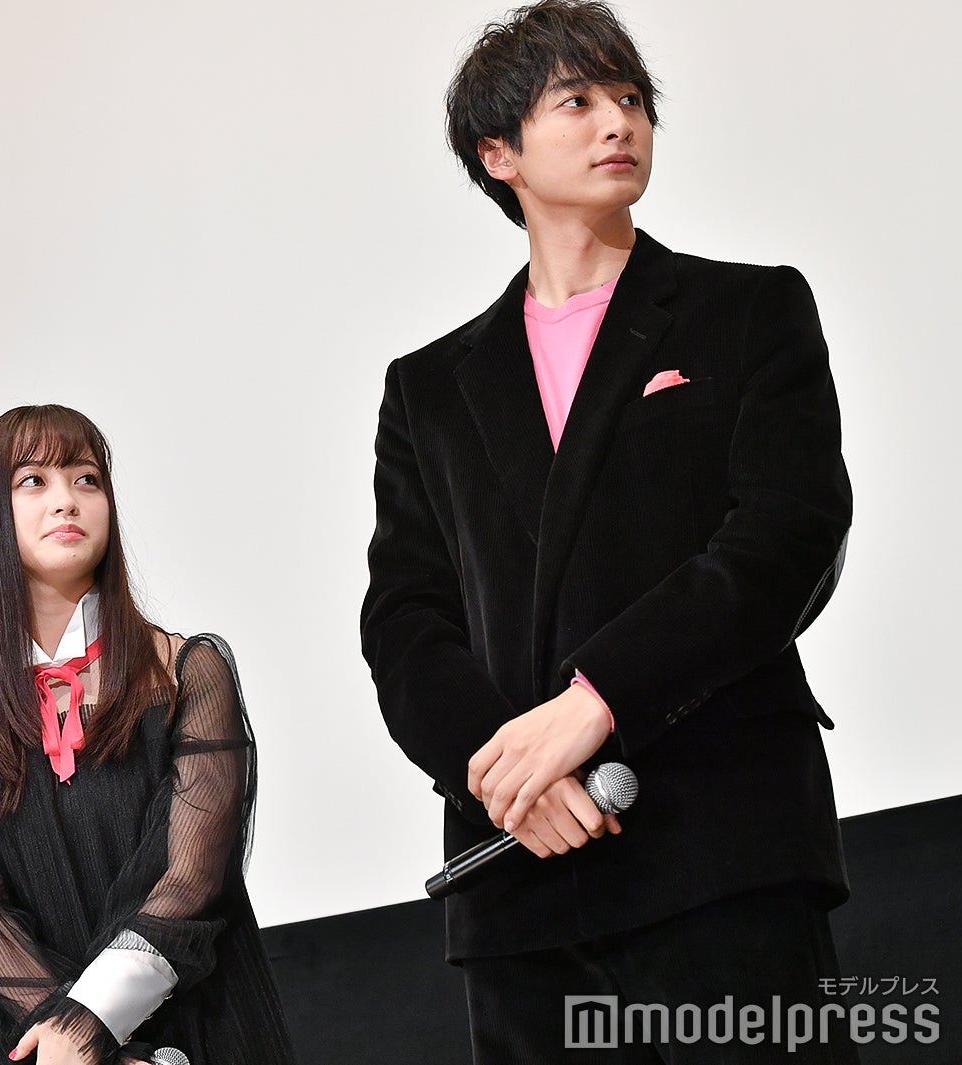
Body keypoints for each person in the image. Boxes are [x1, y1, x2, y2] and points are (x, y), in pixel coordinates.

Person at [359, 2, 856, 1061]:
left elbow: (784, 537)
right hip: (521, 874)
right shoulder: (428, 388)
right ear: (498, 153)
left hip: (719, 841)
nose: (618, 121)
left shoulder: (749, 311)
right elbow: (404, 619)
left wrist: (594, 704)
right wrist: (505, 775)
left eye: (631, 98)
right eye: (576, 101)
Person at [0, 405, 296, 1065]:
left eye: (86, 478)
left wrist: (90, 1025)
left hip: (201, 1028)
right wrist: (79, 1046)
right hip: (40, 1049)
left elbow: (190, 877)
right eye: (33, 481)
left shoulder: (186, 673)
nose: (67, 499)